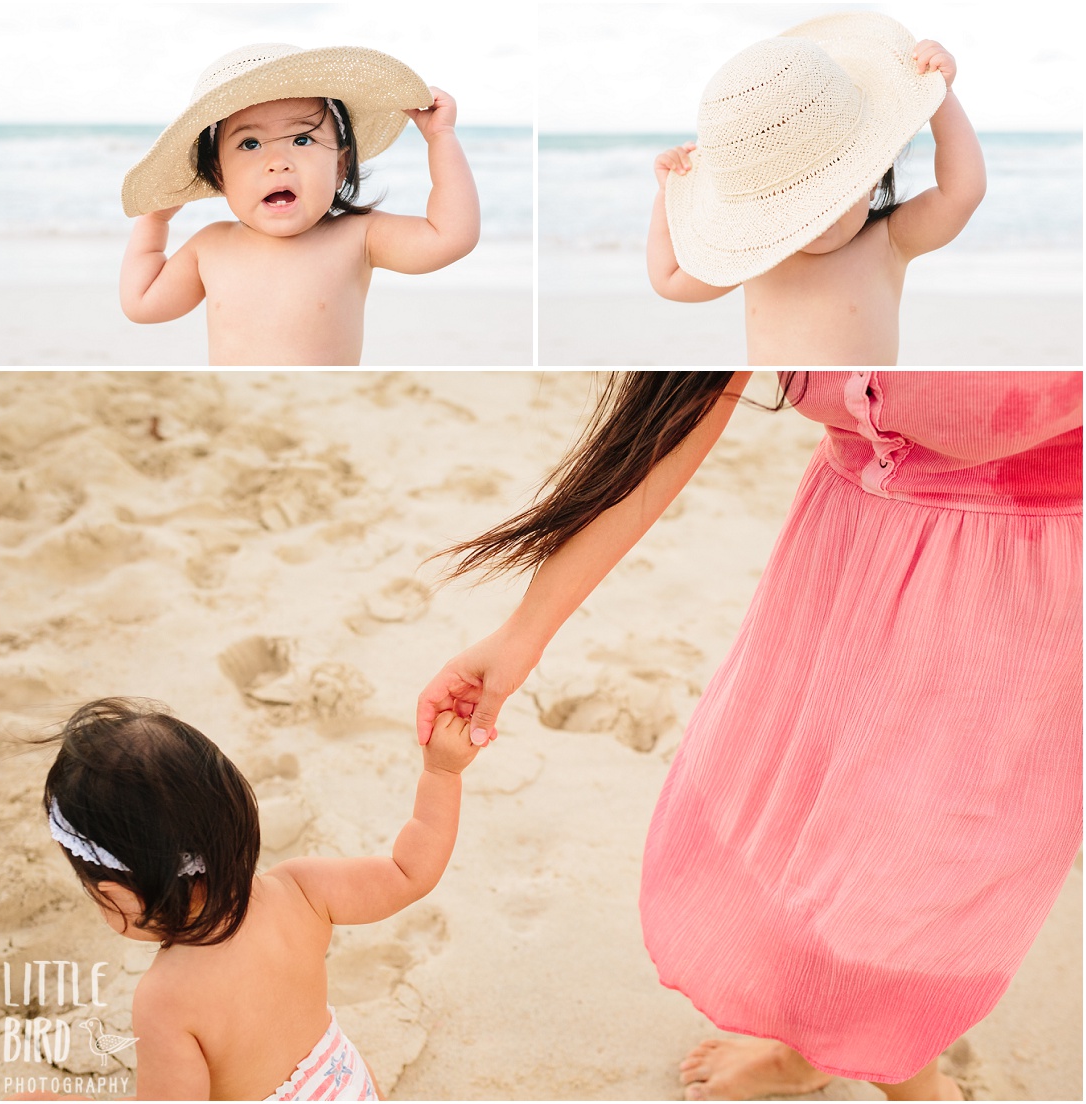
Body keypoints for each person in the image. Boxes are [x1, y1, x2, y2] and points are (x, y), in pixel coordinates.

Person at [417, 371, 1082, 1101]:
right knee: (799, 834)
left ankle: (916, 1087)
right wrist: (524, 634)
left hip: (1025, 592)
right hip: (845, 564)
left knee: (903, 886)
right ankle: (809, 1048)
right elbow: (673, 419)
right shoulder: (765, 252)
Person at [41, 697, 479, 1100]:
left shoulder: (164, 999)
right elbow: (409, 873)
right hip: (346, 1086)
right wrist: (442, 772)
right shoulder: (302, 890)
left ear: (118, 896)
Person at [647, 14, 986, 366]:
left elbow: (963, 193)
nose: (819, 215)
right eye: (799, 204)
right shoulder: (758, 254)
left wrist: (941, 94)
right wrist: (666, 194)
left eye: (831, 195)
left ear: (871, 178)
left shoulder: (889, 240)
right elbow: (669, 280)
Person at [119, 43, 480, 365]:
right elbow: (142, 302)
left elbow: (451, 236)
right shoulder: (210, 245)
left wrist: (440, 137)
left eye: (302, 139)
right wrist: (155, 222)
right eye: (250, 144)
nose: (278, 161)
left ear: (340, 165)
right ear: (219, 173)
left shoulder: (359, 236)